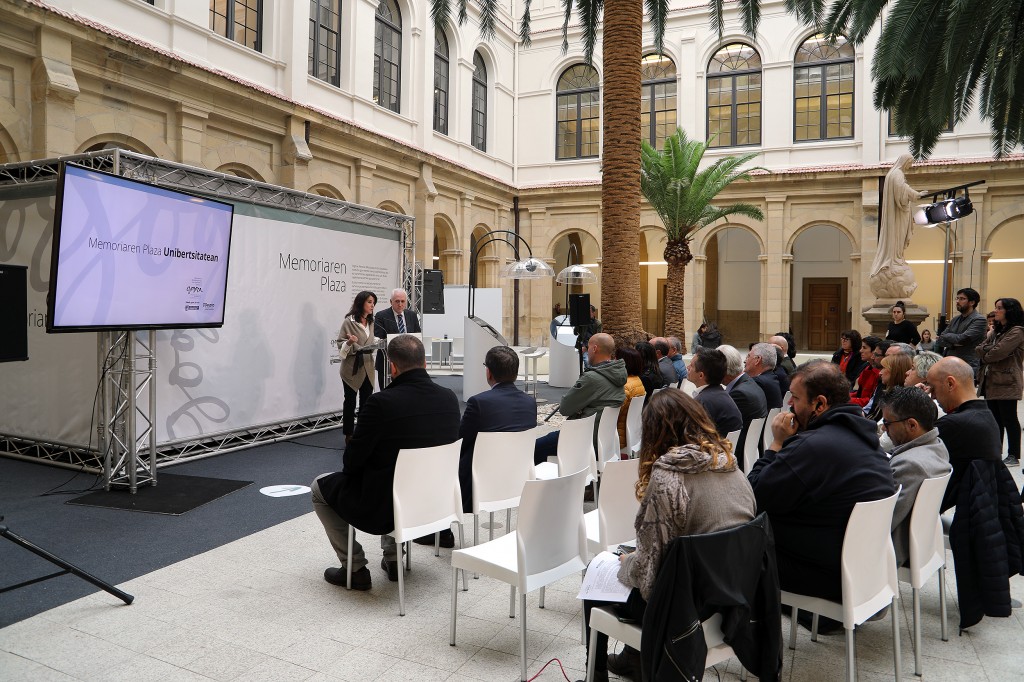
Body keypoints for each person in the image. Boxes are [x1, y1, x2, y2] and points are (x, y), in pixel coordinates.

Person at [580, 390, 756, 682]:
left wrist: (626, 562)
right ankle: (633, 659)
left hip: (682, 609)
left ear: (655, 433)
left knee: (595, 572)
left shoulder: (669, 479)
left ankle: (595, 676)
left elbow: (649, 579)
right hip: (730, 596)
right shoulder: (731, 464)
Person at [748, 361, 895, 627]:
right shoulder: (864, 438)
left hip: (825, 576)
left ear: (820, 404)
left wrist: (777, 444)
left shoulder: (815, 446)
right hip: (863, 571)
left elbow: (753, 496)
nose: (790, 405)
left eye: (795, 397)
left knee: (733, 544)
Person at [311, 335, 460, 590]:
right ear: (424, 362)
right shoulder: (449, 398)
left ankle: (354, 567)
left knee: (319, 488)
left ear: (392, 367)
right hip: (434, 505)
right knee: (394, 472)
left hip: (385, 510)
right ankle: (393, 559)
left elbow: (351, 463)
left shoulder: (380, 404)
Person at [457, 346, 537, 514]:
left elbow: (461, 440)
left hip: (480, 478)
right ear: (515, 373)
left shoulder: (478, 402)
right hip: (517, 474)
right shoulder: (530, 402)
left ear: (489, 373)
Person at [881, 386, 951, 567]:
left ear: (912, 425)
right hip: (919, 543)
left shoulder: (910, 465)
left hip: (893, 551)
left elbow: (883, 522)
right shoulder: (937, 445)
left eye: (888, 423)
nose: (884, 429)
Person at [925, 357, 1003, 512]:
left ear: (950, 383)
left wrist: (915, 403)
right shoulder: (985, 415)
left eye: (933, 388)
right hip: (981, 517)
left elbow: (906, 449)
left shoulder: (954, 424)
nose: (932, 396)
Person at [534, 333, 626, 464]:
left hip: (582, 438)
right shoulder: (618, 374)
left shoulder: (592, 379)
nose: (585, 350)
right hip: (603, 439)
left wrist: (579, 407)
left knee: (535, 447)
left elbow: (565, 408)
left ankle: (539, 482)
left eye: (587, 347)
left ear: (594, 349)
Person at [976, 297, 1024, 466]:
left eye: (999, 308)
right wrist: (988, 351)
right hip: (991, 379)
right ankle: (995, 452)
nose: (995, 311)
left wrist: (987, 353)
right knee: (994, 419)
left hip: (1007, 379)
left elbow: (999, 352)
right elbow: (979, 348)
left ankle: (1014, 455)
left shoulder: (1017, 331)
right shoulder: (997, 330)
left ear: (1009, 311)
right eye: (995, 308)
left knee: (1009, 418)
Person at [870, 153, 922, 299]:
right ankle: (895, 259)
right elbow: (902, 189)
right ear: (905, 162)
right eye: (910, 162)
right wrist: (916, 195)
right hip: (898, 216)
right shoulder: (897, 174)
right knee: (897, 239)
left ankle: (896, 258)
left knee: (897, 242)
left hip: (898, 215)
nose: (911, 165)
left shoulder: (893, 174)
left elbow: (901, 188)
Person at [337, 291, 382, 443]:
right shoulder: (348, 322)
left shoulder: (370, 321)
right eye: (370, 302)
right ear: (361, 302)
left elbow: (369, 342)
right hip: (351, 369)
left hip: (368, 367)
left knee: (366, 403)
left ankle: (363, 433)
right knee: (350, 402)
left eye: (373, 302)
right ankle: (348, 435)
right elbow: (340, 347)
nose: (372, 305)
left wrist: (377, 343)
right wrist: (350, 343)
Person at [721, 344, 769, 468]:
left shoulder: (739, 394)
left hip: (735, 456)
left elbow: (721, 431)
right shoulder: (749, 382)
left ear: (722, 368)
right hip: (749, 450)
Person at [689, 348, 742, 438]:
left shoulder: (704, 402)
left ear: (701, 375)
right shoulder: (719, 393)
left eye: (691, 366)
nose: (687, 367)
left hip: (714, 449)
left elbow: (692, 436)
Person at [934, 287, 987, 379]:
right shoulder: (955, 319)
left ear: (972, 302)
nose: (957, 301)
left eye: (962, 299)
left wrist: (949, 337)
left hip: (967, 365)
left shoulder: (979, 320)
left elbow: (963, 339)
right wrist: (954, 343)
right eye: (957, 298)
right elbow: (941, 340)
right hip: (950, 363)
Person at [373, 288, 422, 386]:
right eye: (397, 301)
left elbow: (417, 336)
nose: (400, 304)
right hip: (387, 362)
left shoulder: (412, 315)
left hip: (409, 362)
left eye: (403, 301)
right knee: (387, 394)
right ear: (391, 302)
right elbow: (378, 338)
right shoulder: (381, 316)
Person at [615, 346, 647, 450]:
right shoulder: (637, 380)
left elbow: (614, 413)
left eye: (616, 359)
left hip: (618, 436)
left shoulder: (625, 386)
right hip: (631, 433)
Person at [866, 352, 913, 421]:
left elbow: (873, 420)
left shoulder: (893, 396)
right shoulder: (887, 388)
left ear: (895, 371)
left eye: (884, 368)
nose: (880, 373)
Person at [744, 342, 782, 409]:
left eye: (748, 356)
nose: (745, 361)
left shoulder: (758, 382)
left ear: (757, 360)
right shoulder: (771, 378)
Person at [850, 336, 883, 408]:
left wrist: (847, 400)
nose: (860, 351)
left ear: (875, 351)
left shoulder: (880, 373)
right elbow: (859, 393)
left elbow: (870, 401)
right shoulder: (867, 367)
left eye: (864, 348)